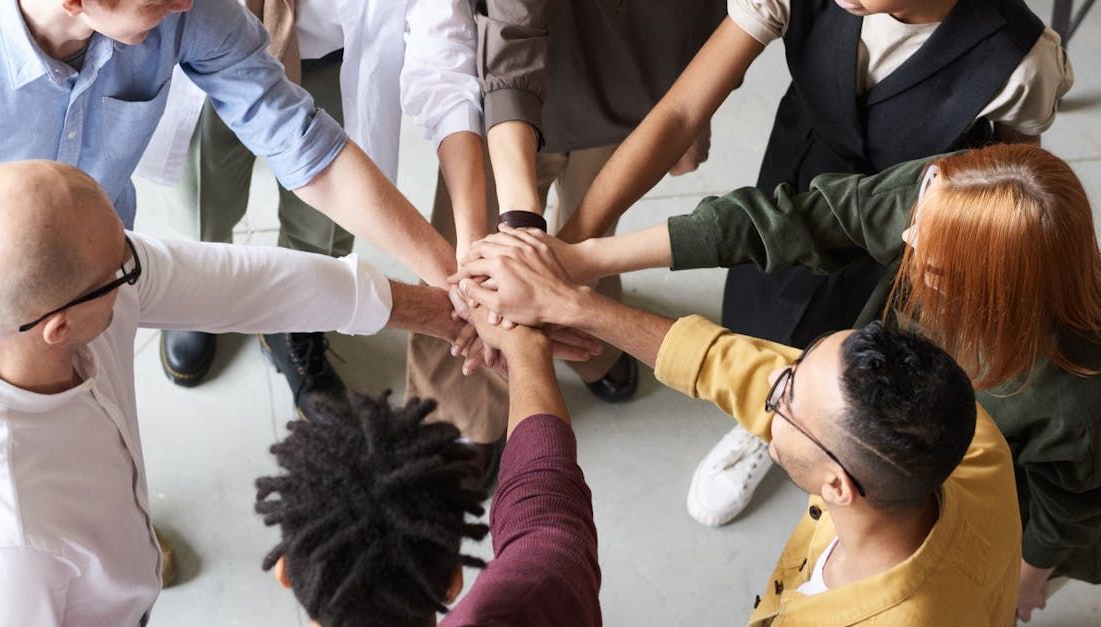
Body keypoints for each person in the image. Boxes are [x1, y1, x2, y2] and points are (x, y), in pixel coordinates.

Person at [463, 143, 1101, 622]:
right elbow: (743, 351)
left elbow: (1069, 508)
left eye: (782, 400)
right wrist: (575, 296)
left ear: (837, 485)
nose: (905, 236)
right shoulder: (976, 444)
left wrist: (1028, 577)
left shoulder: (1067, 405)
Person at [0, 160, 518, 626]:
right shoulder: (3, 554)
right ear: (58, 328)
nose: (138, 265)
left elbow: (247, 284)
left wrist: (438, 313)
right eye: (122, 268)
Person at [554, 0, 1073, 527]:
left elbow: (1009, 195)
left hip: (908, 237)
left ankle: (802, 429)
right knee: (759, 309)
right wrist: (567, 251)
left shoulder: (1020, 59)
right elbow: (681, 112)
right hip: (795, 184)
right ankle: (767, 418)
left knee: (854, 363)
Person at [0, 0, 459, 344]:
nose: (185, 2)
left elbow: (303, 143)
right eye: (161, 0)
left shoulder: (188, 10)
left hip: (102, 282)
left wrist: (453, 279)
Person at [407, 0, 727, 487]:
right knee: (474, 251)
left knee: (594, 235)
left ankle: (587, 335)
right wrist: (520, 233)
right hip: (505, 85)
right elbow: (512, 32)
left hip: (638, 81)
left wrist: (699, 96)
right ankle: (462, 406)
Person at [140, 0, 487, 403]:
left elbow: (444, 63)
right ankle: (196, 294)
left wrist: (465, 263)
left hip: (329, 58)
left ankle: (295, 323)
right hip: (204, 40)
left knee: (321, 229)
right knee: (202, 202)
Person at [256, 306, 601, 625]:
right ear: (453, 583)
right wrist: (526, 352)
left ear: (284, 571)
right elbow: (547, 514)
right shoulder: (540, 592)